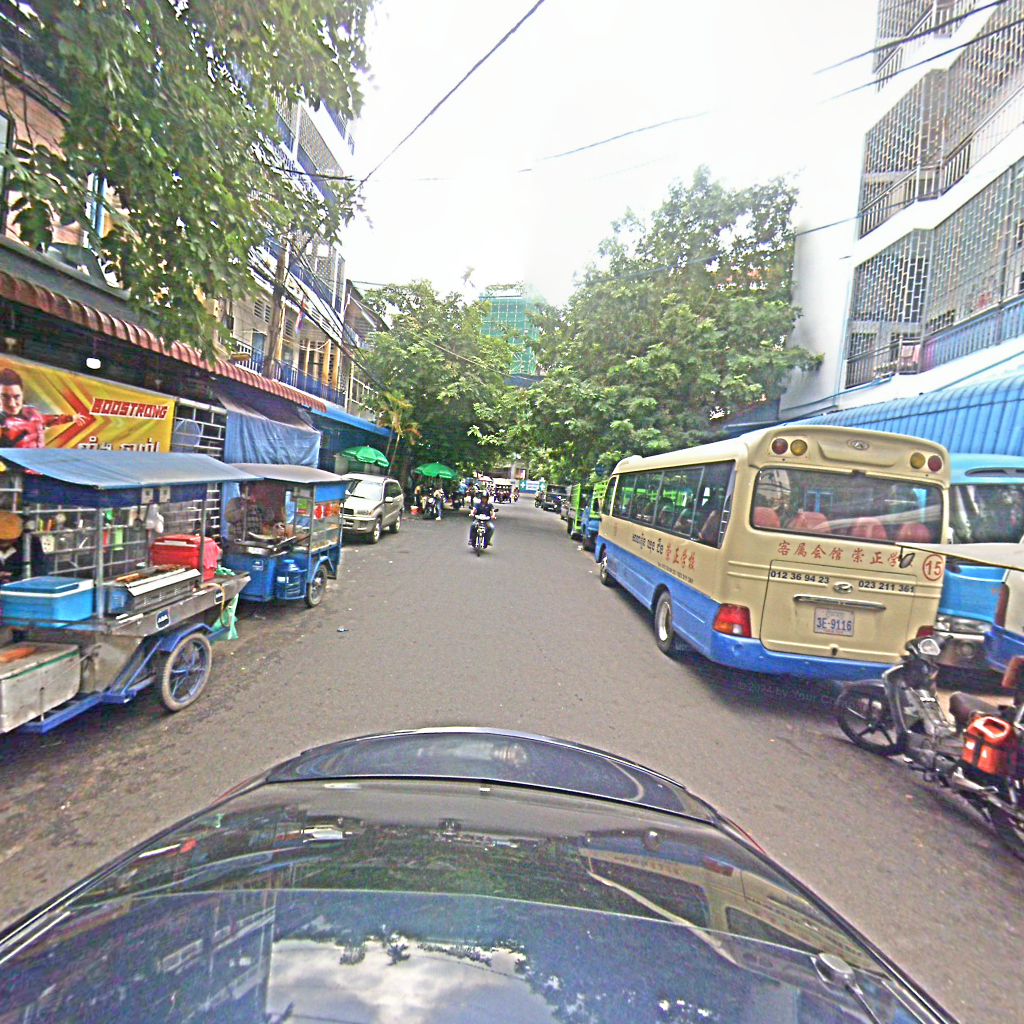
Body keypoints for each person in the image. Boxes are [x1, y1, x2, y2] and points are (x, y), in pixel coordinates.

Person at [0, 368, 86, 448]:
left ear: (22, 394)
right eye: (5, 397)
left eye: (17, 397)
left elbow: (46, 420)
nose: (12, 404)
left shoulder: (31, 412)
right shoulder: (2, 423)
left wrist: (71, 418)